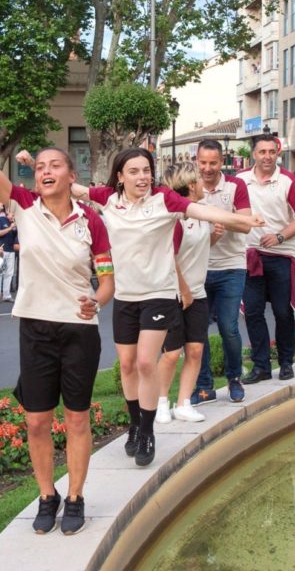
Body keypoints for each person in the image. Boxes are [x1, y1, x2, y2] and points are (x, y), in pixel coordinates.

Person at [0, 72, 113, 536]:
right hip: (35, 328)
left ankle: (75, 496)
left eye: (53, 164)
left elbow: (107, 282)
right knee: (37, 422)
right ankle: (47, 495)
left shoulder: (91, 224)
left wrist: (95, 302)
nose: (44, 170)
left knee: (77, 419)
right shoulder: (21, 206)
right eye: (39, 166)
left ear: (70, 175)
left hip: (79, 333)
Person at [69, 147, 262, 468]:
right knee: (128, 365)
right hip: (126, 297)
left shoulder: (164, 198)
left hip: (159, 294)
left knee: (146, 362)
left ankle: (146, 431)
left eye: (146, 170)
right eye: (134, 171)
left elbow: (203, 212)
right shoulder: (107, 198)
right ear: (120, 176)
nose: (142, 177)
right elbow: (70, 186)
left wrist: (241, 220)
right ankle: (135, 425)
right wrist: (33, 165)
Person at [239, 134, 295, 385]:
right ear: (254, 154)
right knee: (254, 312)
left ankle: (286, 362)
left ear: (276, 154)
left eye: (271, 152)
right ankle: (261, 367)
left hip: (281, 254)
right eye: (262, 152)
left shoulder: (288, 181)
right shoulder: (240, 180)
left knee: (282, 311)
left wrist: (279, 237)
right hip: (250, 257)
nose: (267, 156)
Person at [190, 139, 251, 405]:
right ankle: (203, 386)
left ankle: (234, 378)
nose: (207, 168)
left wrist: (224, 222)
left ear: (222, 161)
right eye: (203, 162)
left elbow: (247, 224)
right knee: (197, 330)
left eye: (213, 163)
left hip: (231, 266)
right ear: (196, 161)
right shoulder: (191, 188)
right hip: (199, 269)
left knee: (228, 326)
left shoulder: (236, 186)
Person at [156, 163, 212, 424]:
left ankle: (184, 403)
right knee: (170, 353)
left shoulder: (202, 214)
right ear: (191, 185)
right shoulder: (177, 219)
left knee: (195, 351)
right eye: (199, 179)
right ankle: (160, 403)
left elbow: (198, 251)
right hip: (174, 294)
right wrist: (184, 290)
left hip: (198, 293)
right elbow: (169, 257)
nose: (204, 182)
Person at [0, 208, 18, 302]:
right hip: (1, 250)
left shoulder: (14, 223)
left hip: (11, 250)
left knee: (9, 273)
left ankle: (6, 295)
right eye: (13, 214)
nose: (14, 216)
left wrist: (15, 228)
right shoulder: (0, 219)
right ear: (8, 211)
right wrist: (10, 228)